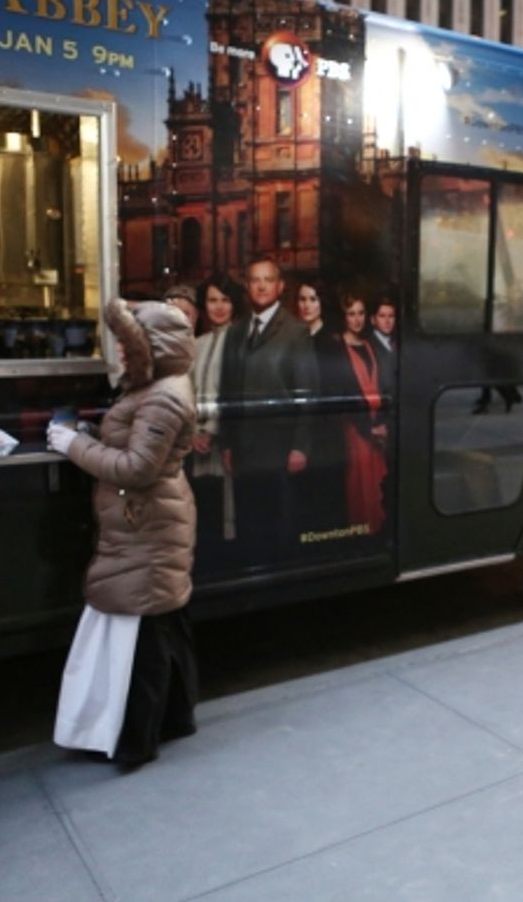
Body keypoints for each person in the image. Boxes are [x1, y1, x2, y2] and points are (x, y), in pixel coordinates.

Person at [47, 298, 199, 767]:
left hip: (147, 524)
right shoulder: (156, 388)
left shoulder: (163, 396)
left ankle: (139, 740)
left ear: (149, 348)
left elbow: (136, 468)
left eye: (124, 342)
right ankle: (173, 720)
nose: (116, 349)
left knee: (148, 635)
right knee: (159, 626)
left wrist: (75, 445)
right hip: (149, 521)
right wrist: (93, 436)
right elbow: (135, 448)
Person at [218, 258, 320, 563]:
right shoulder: (236, 332)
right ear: (247, 287)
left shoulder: (295, 331)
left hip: (280, 448)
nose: (261, 286)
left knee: (280, 527)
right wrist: (226, 443)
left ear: (280, 286)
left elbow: (309, 393)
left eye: (268, 280)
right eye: (254, 280)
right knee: (249, 525)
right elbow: (227, 390)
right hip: (243, 449)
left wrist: (300, 446)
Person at [190, 276, 244, 559]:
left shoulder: (241, 342)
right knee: (202, 509)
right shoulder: (197, 344)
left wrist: (210, 431)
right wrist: (192, 433)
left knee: (227, 507)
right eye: (212, 300)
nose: (219, 307)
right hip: (194, 443)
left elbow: (232, 393)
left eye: (225, 300)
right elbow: (186, 393)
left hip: (224, 440)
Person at [292, 280, 349, 538]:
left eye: (313, 299)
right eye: (303, 299)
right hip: (299, 434)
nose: (307, 305)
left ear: (322, 303)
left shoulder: (332, 342)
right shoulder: (294, 339)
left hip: (325, 436)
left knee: (325, 500)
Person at [336, 291, 388, 532]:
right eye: (351, 314)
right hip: (356, 429)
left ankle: (376, 530)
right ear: (343, 317)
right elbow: (344, 396)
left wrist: (382, 423)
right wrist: (369, 428)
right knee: (359, 484)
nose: (356, 319)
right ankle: (362, 532)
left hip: (377, 424)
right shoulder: (337, 348)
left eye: (360, 313)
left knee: (377, 483)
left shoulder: (369, 346)